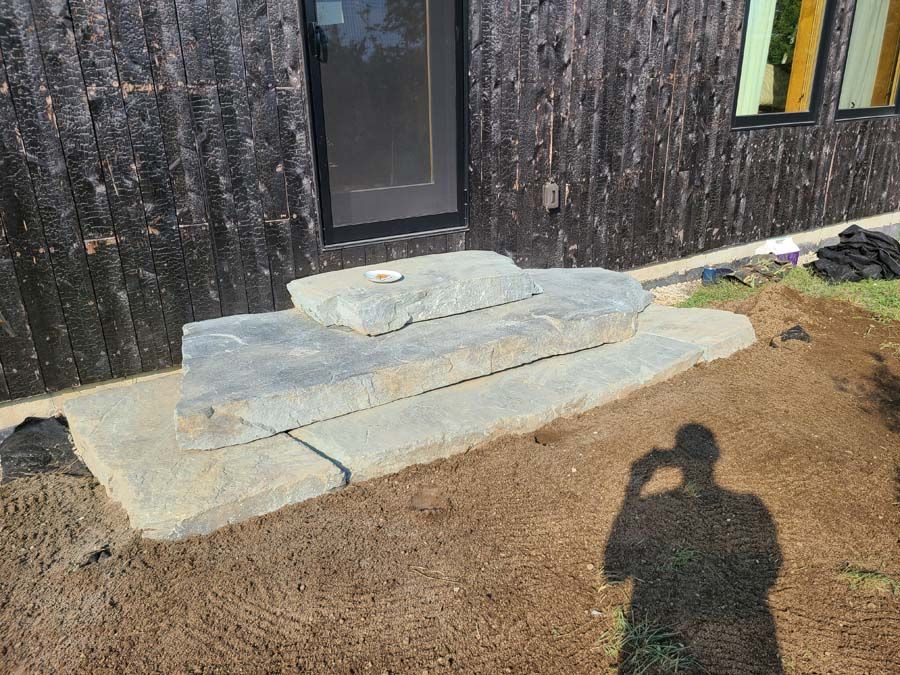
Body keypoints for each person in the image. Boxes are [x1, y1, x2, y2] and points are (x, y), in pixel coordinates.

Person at [603, 424, 783, 673]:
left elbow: (614, 572)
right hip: (745, 639)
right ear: (715, 456)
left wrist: (633, 490)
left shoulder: (654, 504)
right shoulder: (750, 505)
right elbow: (770, 569)